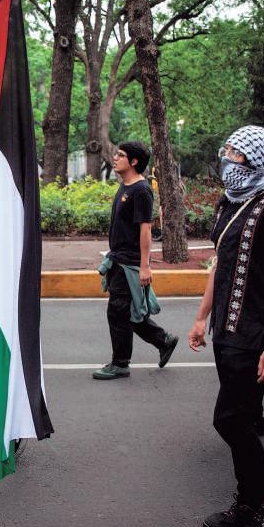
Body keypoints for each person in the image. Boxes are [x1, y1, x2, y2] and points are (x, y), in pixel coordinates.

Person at [189, 126, 264, 527]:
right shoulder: (230, 202)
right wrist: (202, 317)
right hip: (226, 329)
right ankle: (249, 499)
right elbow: (219, 264)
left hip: (255, 331)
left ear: (257, 160)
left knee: (229, 419)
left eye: (236, 153)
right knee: (244, 419)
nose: (228, 159)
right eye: (228, 149)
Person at [91, 141, 178, 380]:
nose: (115, 157)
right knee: (127, 312)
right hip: (118, 259)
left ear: (134, 161)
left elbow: (145, 229)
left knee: (117, 312)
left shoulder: (141, 190)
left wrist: (145, 266)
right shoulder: (126, 186)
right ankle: (164, 340)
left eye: (121, 155)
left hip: (129, 262)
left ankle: (120, 363)